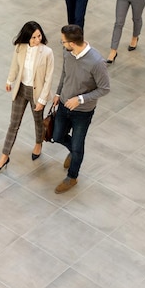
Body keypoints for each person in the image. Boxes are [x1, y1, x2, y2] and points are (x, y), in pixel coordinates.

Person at [52, 25, 110, 193]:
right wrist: (58, 93)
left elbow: (104, 89)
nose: (62, 45)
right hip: (63, 104)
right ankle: (73, 152)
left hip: (82, 112)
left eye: (63, 42)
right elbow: (65, 74)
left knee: (78, 146)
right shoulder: (67, 53)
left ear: (72, 42)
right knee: (57, 136)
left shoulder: (97, 62)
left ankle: (72, 177)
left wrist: (80, 99)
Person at [0, 21, 54, 171]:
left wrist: (42, 99)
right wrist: (9, 80)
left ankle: (38, 143)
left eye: (39, 36)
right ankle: (4, 156)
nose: (37, 39)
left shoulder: (47, 52)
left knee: (38, 121)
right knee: (13, 124)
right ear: (27, 37)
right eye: (33, 37)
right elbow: (15, 65)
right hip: (21, 90)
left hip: (37, 93)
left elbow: (49, 78)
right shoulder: (20, 48)